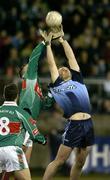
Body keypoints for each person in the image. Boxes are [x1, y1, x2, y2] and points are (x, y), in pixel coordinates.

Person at [41, 27, 94, 180]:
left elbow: (71, 58)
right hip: (75, 125)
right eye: (61, 68)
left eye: (65, 68)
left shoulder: (77, 78)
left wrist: (63, 41)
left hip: (88, 124)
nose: (63, 68)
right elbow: (51, 64)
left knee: (80, 161)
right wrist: (48, 45)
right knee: (59, 161)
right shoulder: (58, 85)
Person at [0, 83, 46, 180]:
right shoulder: (20, 112)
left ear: (4, 96)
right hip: (13, 150)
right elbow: (34, 132)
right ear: (17, 96)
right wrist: (42, 140)